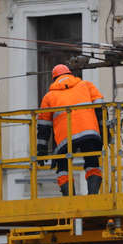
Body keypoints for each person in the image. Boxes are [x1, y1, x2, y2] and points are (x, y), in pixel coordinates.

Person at [36, 64, 104, 196]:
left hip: (65, 139)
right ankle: (93, 195)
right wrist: (104, 132)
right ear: (71, 74)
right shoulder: (86, 85)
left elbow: (43, 126)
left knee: (63, 166)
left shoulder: (49, 97)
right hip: (89, 133)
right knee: (92, 162)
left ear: (54, 79)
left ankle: (69, 198)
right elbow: (101, 108)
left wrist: (41, 150)